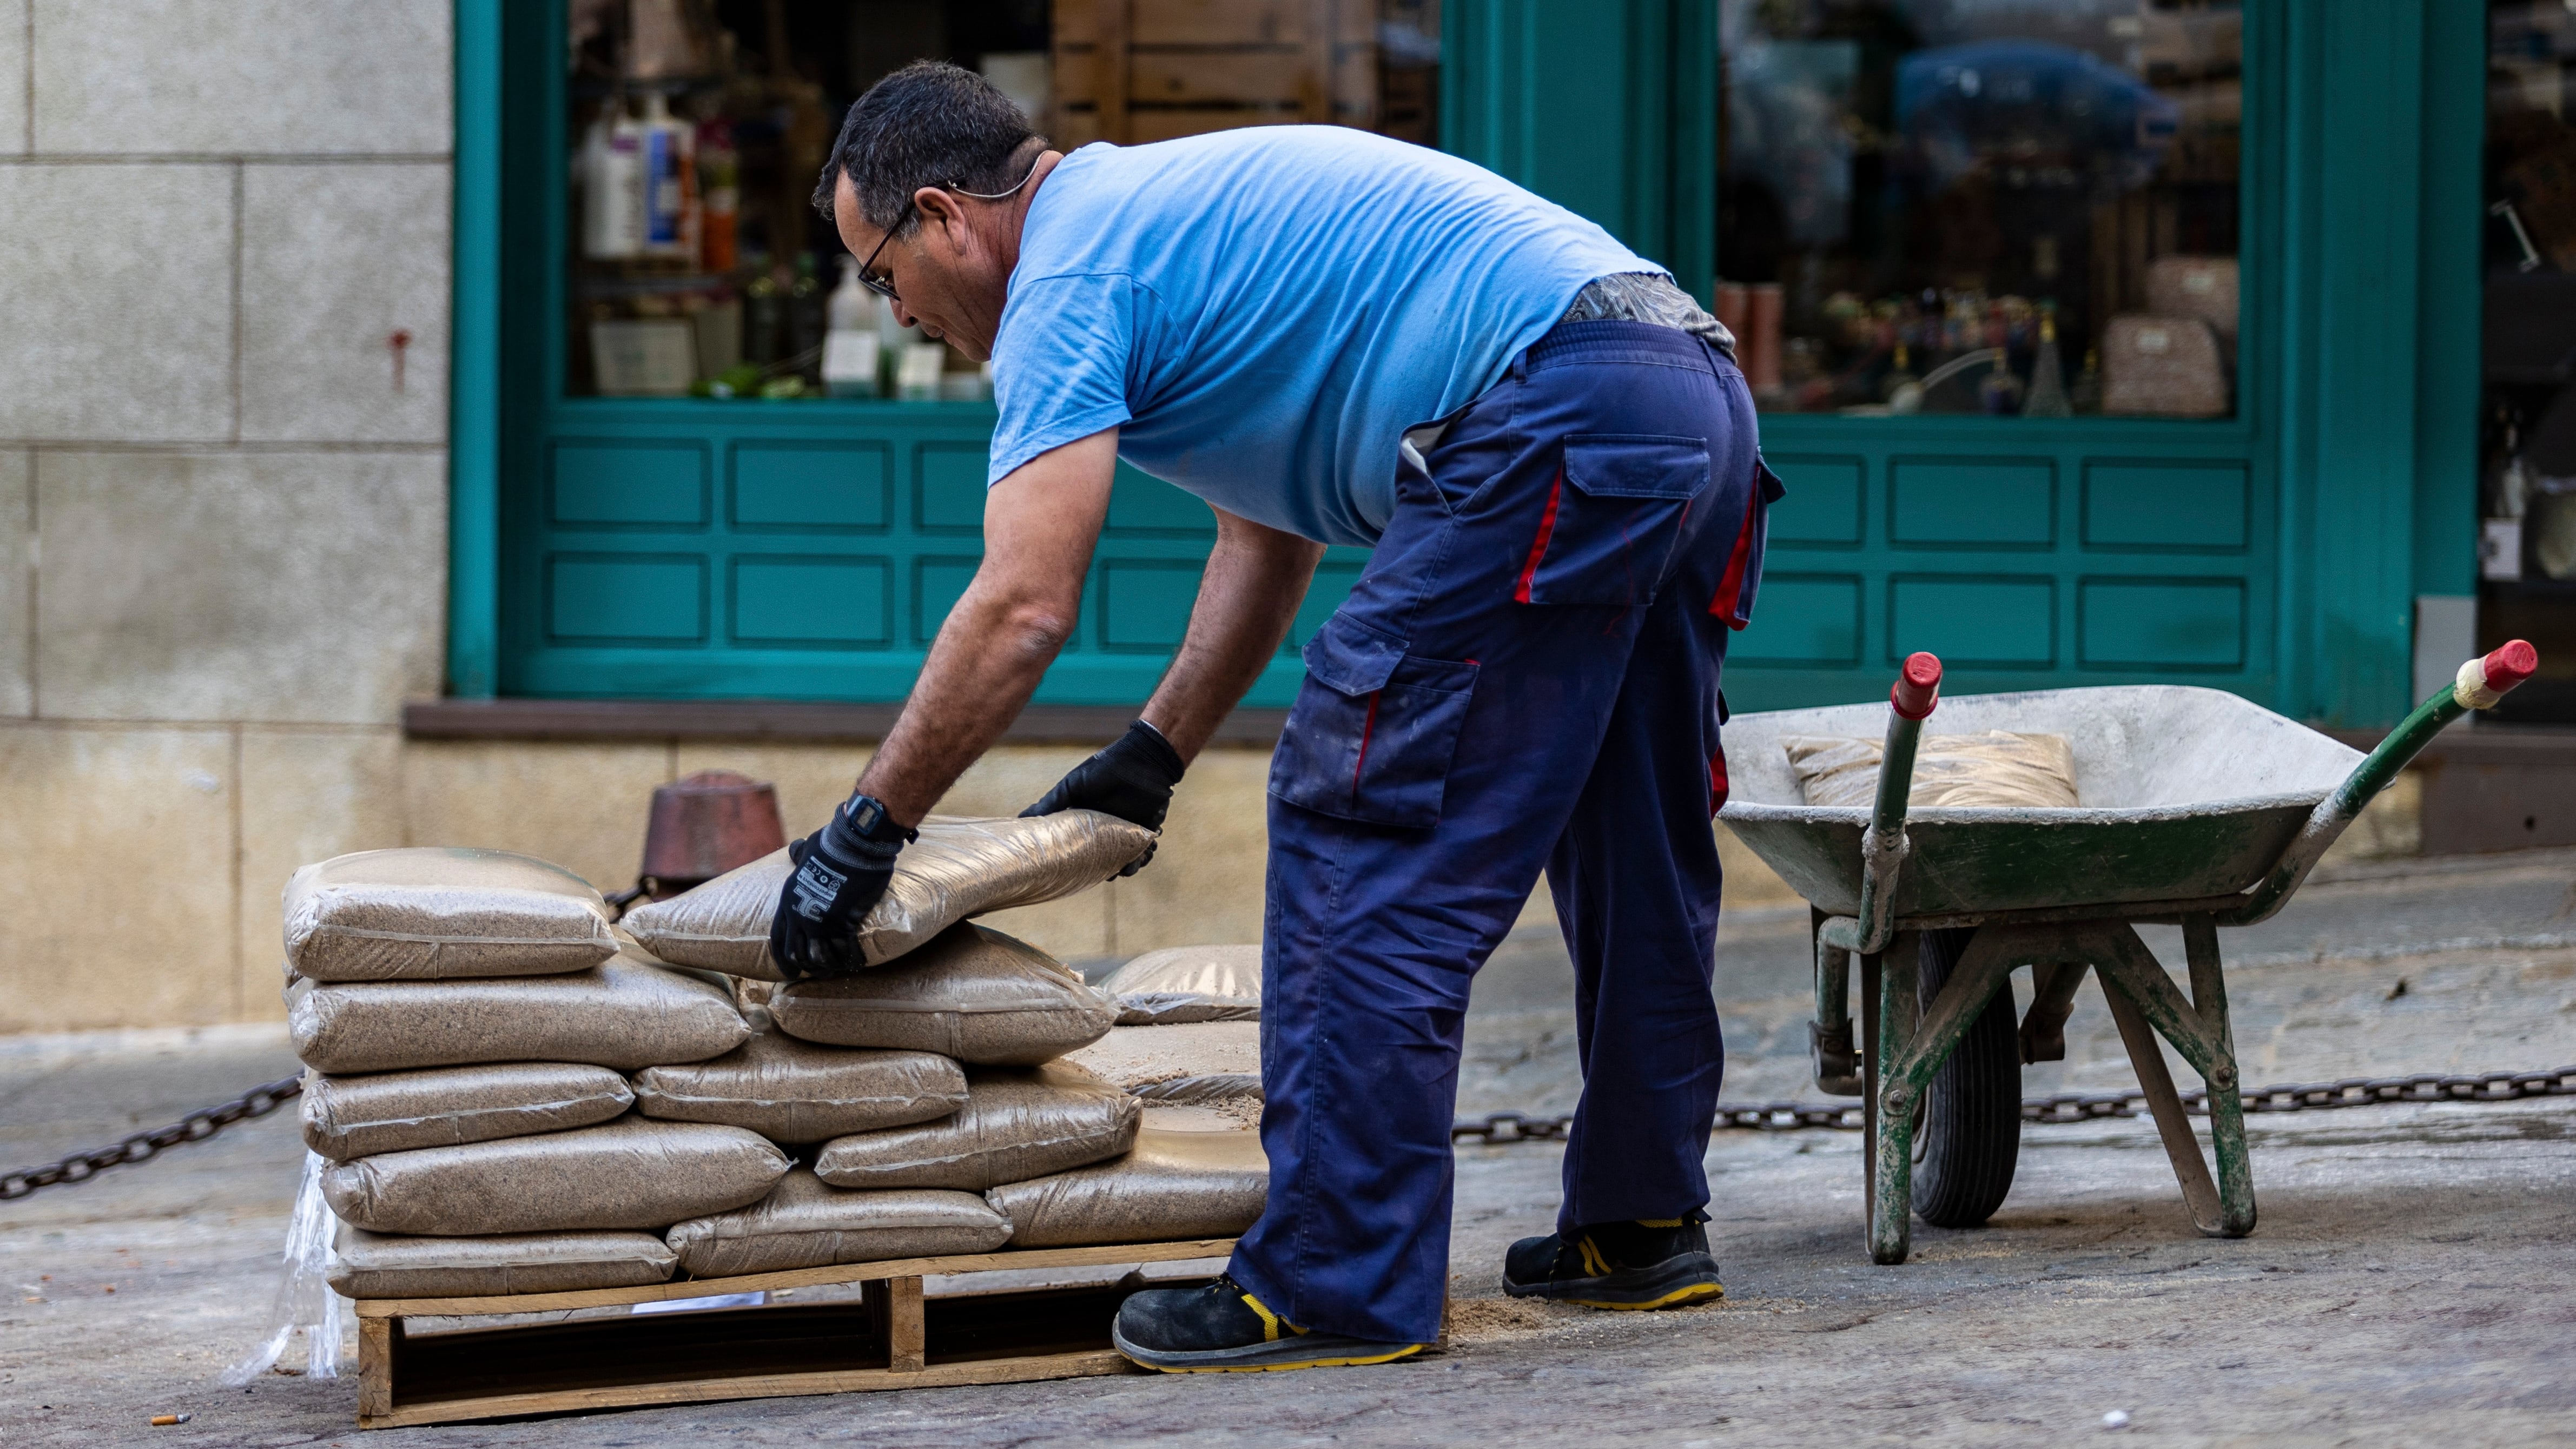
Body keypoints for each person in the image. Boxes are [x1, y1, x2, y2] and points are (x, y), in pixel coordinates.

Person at [777, 62, 1781, 1373]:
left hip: (1551, 407)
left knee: (1355, 818)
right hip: (1681, 389)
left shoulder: (1065, 282)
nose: (899, 311)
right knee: (1629, 825)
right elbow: (1269, 533)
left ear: (944, 216)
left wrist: (866, 829)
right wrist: (1151, 756)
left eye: (879, 271)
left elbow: (1024, 602)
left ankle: (1333, 1280)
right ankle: (1640, 1222)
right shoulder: (1164, 226)